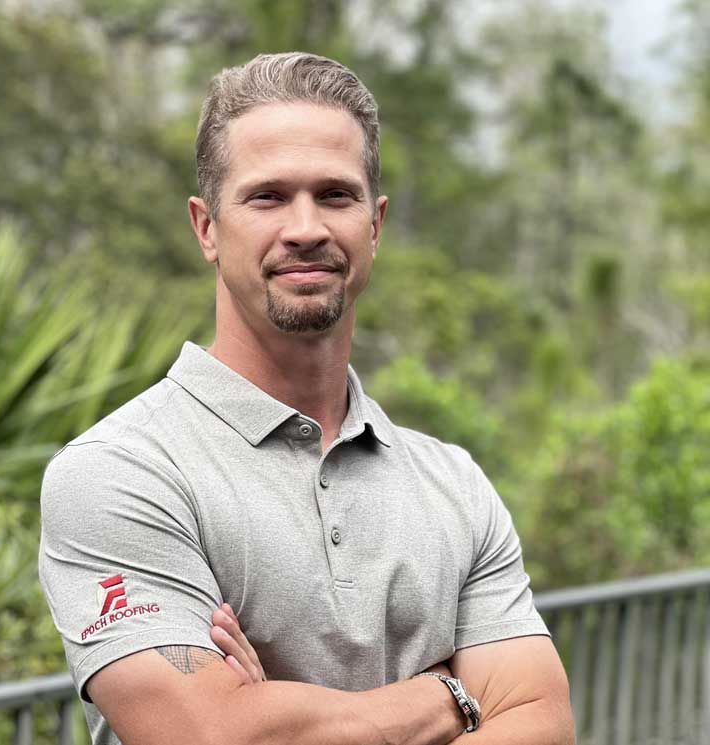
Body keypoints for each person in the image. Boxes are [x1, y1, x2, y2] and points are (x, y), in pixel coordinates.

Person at [39, 52, 575, 745]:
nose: (305, 228)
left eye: (335, 195)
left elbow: (546, 721)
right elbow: (212, 736)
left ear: (375, 225)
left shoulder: (454, 483)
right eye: (267, 197)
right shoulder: (122, 472)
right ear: (207, 226)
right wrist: (450, 695)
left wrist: (285, 716)